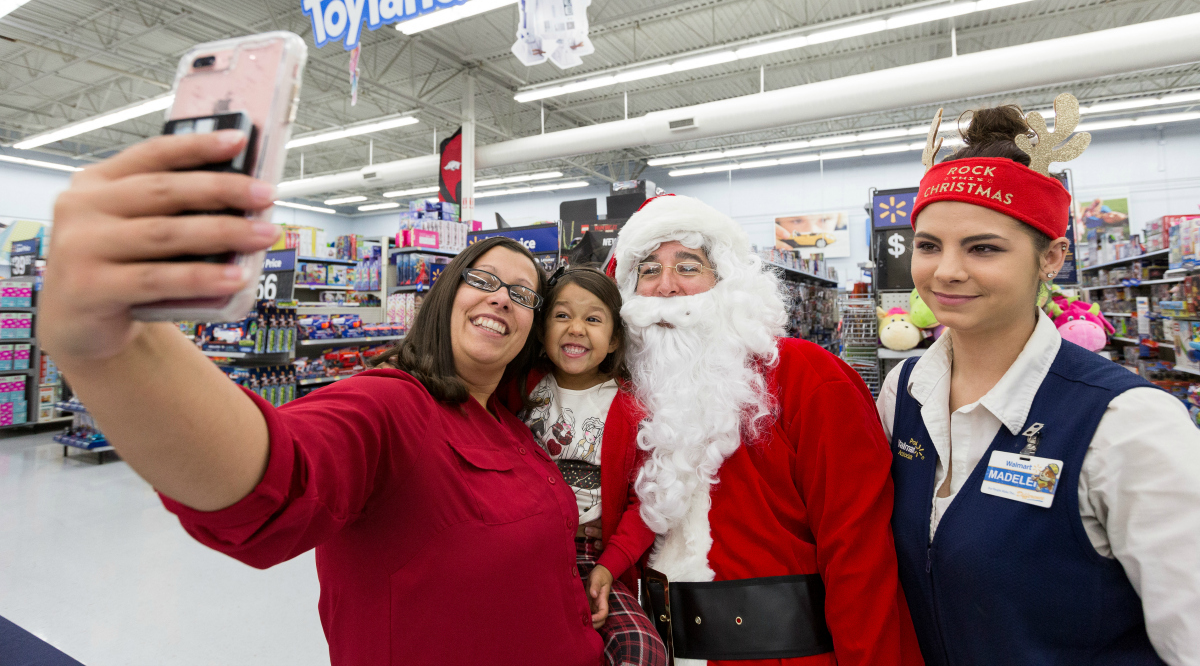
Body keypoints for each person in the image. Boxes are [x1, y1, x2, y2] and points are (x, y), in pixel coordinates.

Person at [38, 131, 605, 665]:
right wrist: (118, 343)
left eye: (524, 294)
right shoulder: (393, 405)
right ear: (443, 298)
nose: (503, 299)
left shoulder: (509, 418)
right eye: (482, 281)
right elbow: (275, 474)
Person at [878, 95, 1200, 666]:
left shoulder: (1128, 424)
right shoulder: (903, 392)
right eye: (929, 246)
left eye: (983, 248)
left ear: (1051, 258)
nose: (946, 270)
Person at [603, 194, 922, 666]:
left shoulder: (806, 375)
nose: (666, 288)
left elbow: (860, 556)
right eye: (648, 270)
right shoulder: (622, 393)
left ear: (730, 281)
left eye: (688, 267)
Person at [511, 266, 666, 666]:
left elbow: (646, 503)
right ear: (541, 330)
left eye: (593, 319)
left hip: (591, 558)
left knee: (639, 649)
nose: (576, 328)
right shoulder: (517, 387)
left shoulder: (634, 407)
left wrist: (608, 567)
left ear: (615, 338)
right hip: (519, 549)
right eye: (562, 316)